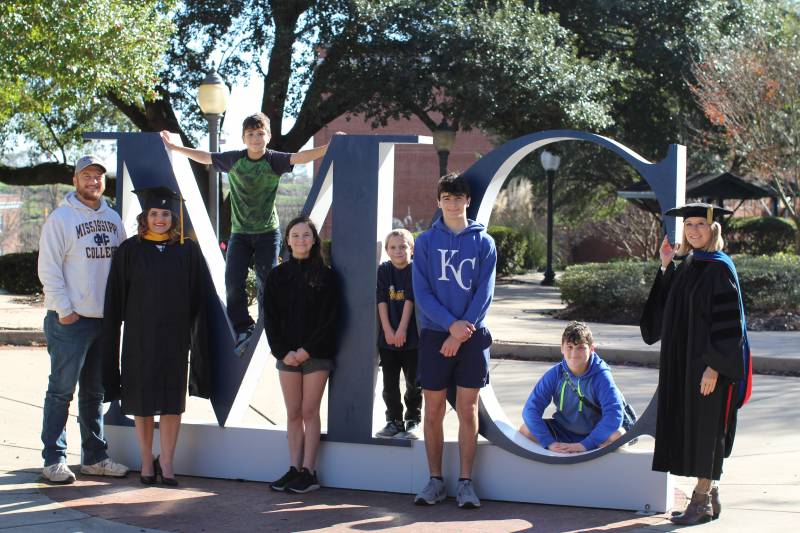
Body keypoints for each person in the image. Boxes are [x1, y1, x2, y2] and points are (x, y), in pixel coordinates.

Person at [160, 115, 336, 353]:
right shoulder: (234, 159)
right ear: (243, 138)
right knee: (233, 281)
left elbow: (300, 157)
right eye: (251, 135)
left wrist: (329, 147)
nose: (255, 138)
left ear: (268, 136)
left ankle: (268, 327)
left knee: (268, 281)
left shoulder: (274, 160)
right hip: (240, 234)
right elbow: (205, 157)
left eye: (260, 133)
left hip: (267, 233)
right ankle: (243, 327)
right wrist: (174, 147)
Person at [640, 203, 752, 526]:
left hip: (707, 370)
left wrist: (715, 367)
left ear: (713, 228)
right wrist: (665, 266)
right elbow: (666, 313)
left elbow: (731, 326)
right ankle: (710, 495)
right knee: (694, 430)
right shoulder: (689, 263)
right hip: (683, 367)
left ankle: (700, 501)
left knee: (705, 432)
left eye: (700, 224)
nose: (693, 230)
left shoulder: (720, 268)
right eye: (688, 224)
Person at [102, 186, 211, 486]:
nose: (160, 219)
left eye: (165, 214)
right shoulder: (130, 250)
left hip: (175, 340)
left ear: (174, 218)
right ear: (144, 217)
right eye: (154, 214)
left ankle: (167, 461)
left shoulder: (187, 250)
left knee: (172, 402)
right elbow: (115, 298)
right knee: (143, 401)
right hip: (139, 338)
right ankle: (145, 459)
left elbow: (198, 298)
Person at [37, 155, 130, 483]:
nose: (93, 181)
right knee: (62, 391)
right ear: (75, 180)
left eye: (98, 177)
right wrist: (65, 310)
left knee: (95, 392)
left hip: (104, 321)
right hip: (71, 322)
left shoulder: (113, 218)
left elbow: (121, 267)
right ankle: (53, 458)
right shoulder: (61, 219)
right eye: (87, 176)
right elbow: (48, 268)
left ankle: (94, 456)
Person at [412, 172, 496, 509]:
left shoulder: (484, 242)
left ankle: (465, 483)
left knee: (467, 408)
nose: (452, 202)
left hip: (471, 337)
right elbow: (423, 292)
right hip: (435, 335)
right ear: (439, 201)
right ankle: (435, 481)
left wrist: (462, 333)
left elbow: (484, 293)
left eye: (458, 197)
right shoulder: (425, 242)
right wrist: (450, 327)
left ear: (467, 201)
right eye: (446, 197)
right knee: (432, 410)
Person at [263, 216, 338, 494]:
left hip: (316, 355)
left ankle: (309, 471)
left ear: (314, 239)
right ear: (287, 240)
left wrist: (306, 350)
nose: (301, 240)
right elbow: (269, 317)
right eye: (295, 235)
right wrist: (284, 352)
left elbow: (330, 319)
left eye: (306, 235)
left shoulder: (327, 276)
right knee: (293, 412)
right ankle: (294, 469)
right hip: (287, 356)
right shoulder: (277, 275)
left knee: (309, 410)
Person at [519, 321, 625, 453]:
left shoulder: (601, 376)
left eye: (580, 347)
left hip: (594, 433)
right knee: (525, 429)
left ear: (591, 349)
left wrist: (586, 444)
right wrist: (549, 442)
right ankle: (554, 461)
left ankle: (591, 462)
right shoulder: (555, 374)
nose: (574, 353)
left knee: (618, 435)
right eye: (569, 347)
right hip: (562, 430)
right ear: (562, 348)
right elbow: (530, 410)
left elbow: (614, 415)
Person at [375, 229, 422, 439]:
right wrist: (387, 330)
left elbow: (410, 300)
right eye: (393, 247)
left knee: (414, 383)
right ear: (386, 250)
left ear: (411, 249)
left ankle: (413, 420)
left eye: (403, 246)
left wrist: (401, 329)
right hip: (388, 340)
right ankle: (393, 421)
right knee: (389, 385)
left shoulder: (415, 270)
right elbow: (381, 300)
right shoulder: (384, 270)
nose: (398, 251)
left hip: (412, 339)